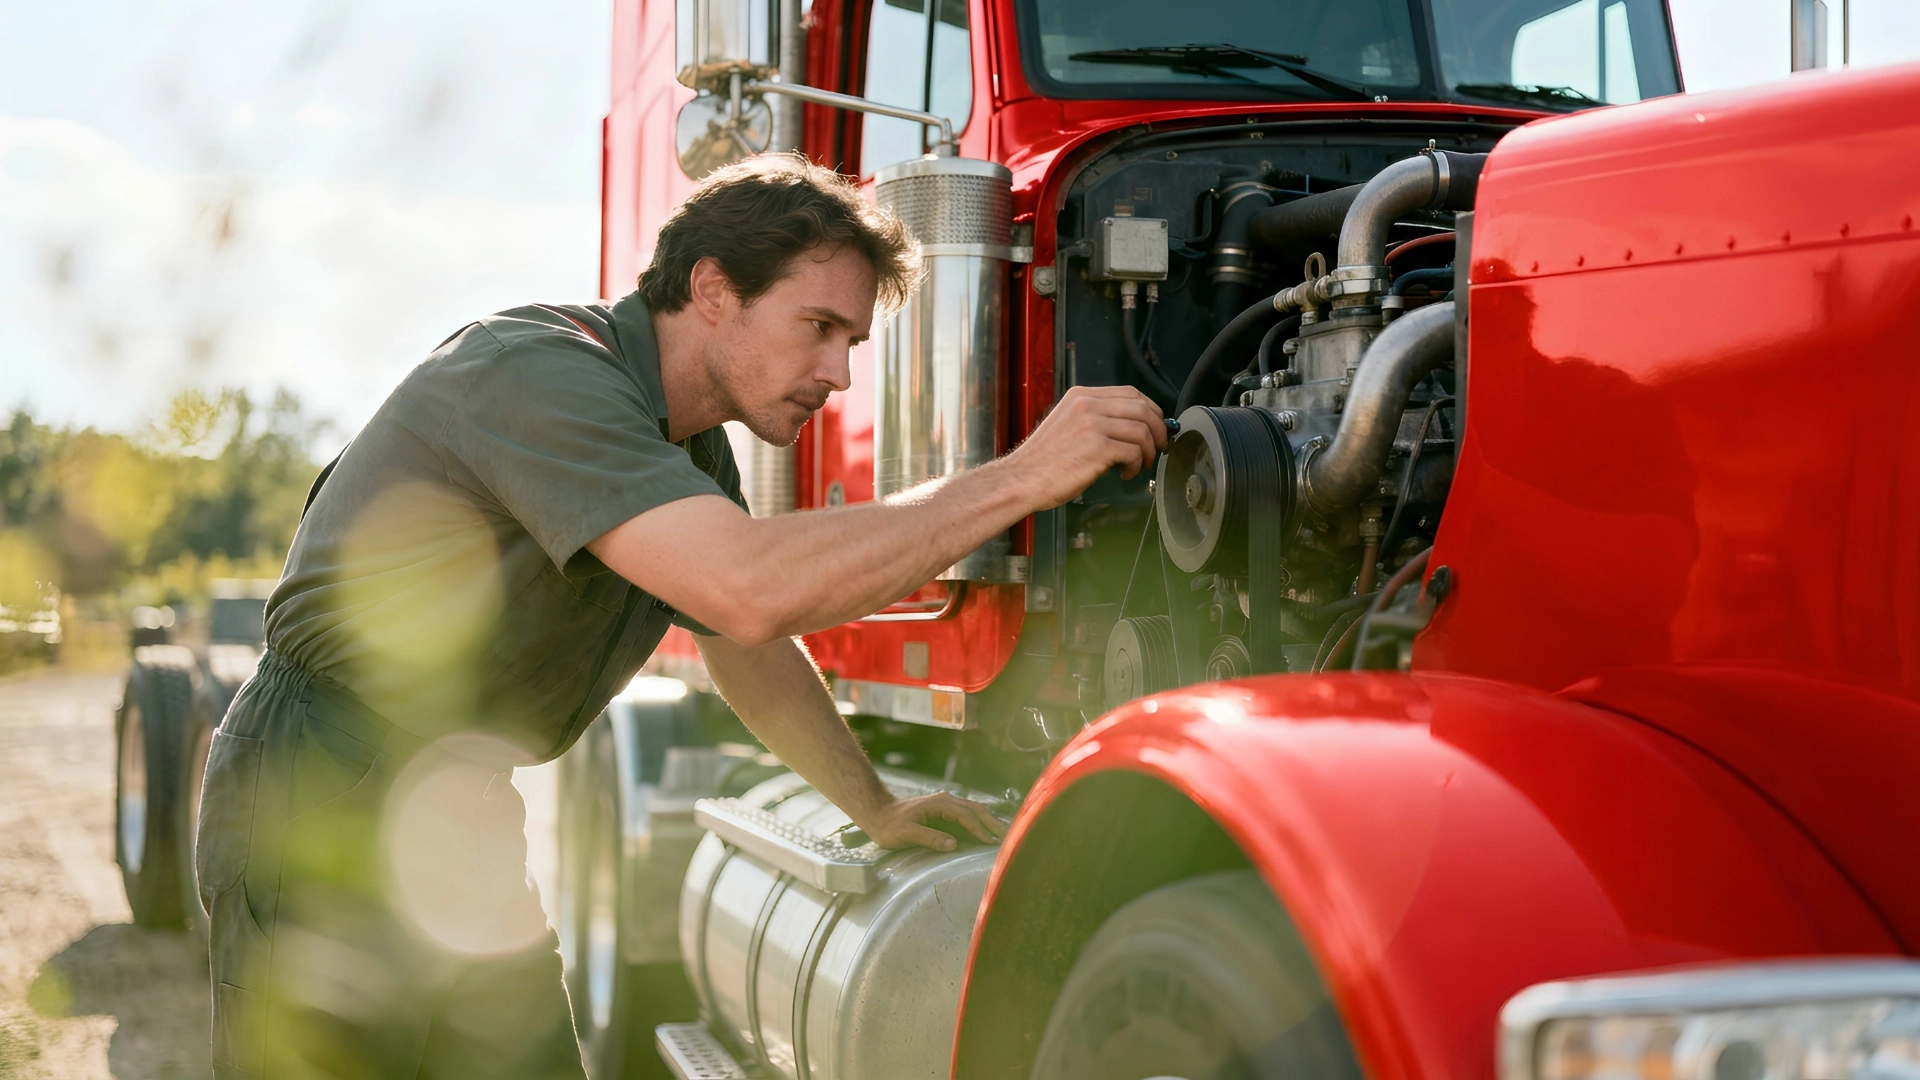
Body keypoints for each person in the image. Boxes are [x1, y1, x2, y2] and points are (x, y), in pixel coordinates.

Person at [194, 152, 1167, 1079]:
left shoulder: (691, 452)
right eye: (817, 327)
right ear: (711, 290)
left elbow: (746, 641)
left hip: (458, 799)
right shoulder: (539, 373)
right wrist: (1023, 478)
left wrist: (871, 803)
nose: (838, 374)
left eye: (853, 344)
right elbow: (751, 587)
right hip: (323, 776)